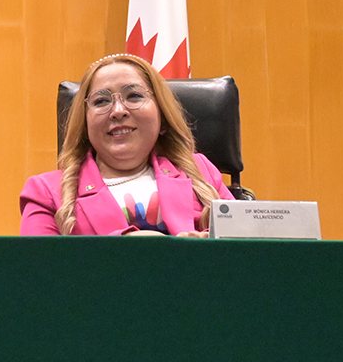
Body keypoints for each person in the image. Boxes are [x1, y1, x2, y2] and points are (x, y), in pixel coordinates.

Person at [20, 53, 226, 235]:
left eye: (134, 96)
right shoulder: (47, 191)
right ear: (85, 124)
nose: (118, 111)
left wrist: (205, 247)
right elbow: (38, 264)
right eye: (101, 101)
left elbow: (239, 246)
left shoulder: (200, 171)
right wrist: (128, 244)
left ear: (163, 118)